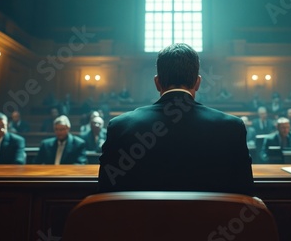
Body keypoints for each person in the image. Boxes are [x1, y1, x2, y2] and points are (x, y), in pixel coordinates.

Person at [98, 43, 253, 194]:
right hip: (211, 220)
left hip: (140, 220)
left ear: (157, 83)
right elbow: (245, 192)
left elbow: (105, 192)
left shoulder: (120, 126)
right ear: (198, 82)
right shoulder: (232, 128)